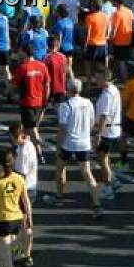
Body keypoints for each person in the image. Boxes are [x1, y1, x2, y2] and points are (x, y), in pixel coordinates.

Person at [56, 77, 101, 215]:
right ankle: (96, 204)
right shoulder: (88, 103)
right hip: (84, 142)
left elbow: (62, 128)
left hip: (69, 143)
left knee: (60, 168)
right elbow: (92, 122)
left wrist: (58, 145)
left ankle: (59, 196)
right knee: (87, 172)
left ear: (68, 89)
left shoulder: (65, 105)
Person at [91, 66, 122, 201]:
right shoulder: (114, 90)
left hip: (107, 131)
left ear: (105, 78)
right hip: (114, 129)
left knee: (102, 160)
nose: (95, 80)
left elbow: (104, 116)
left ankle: (108, 187)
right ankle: (113, 180)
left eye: (98, 78)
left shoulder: (106, 95)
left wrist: (98, 134)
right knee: (105, 157)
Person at [9, 121, 38, 264]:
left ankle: (21, 253)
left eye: (13, 138)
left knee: (20, 223)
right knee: (25, 222)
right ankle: (26, 253)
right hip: (32, 187)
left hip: (24, 190)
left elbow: (22, 175)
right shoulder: (29, 144)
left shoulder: (23, 152)